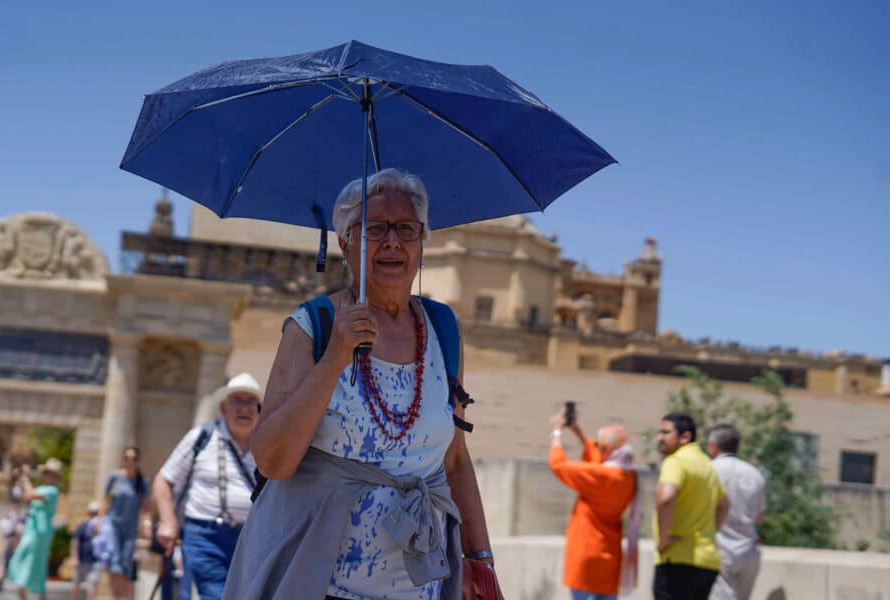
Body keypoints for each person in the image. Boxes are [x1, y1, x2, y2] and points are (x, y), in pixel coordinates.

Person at [222, 168, 497, 600]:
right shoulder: (312, 327)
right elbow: (272, 461)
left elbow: (456, 460)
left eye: (406, 228)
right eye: (374, 228)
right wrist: (334, 358)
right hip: (317, 584)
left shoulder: (443, 329)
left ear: (422, 241)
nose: (392, 241)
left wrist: (480, 558)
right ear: (345, 242)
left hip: (419, 586)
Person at [152, 372, 262, 600]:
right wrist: (167, 521)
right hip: (205, 535)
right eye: (237, 401)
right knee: (216, 594)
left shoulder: (268, 446)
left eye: (250, 401)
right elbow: (163, 480)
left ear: (259, 408)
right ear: (223, 408)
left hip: (252, 538)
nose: (244, 408)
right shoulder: (200, 438)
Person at [548, 409, 639, 600]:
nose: (596, 448)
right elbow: (599, 457)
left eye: (600, 446)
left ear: (608, 450)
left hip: (586, 552)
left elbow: (558, 465)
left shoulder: (600, 476)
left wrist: (557, 432)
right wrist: (577, 430)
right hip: (610, 556)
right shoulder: (629, 477)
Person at [653, 414, 730, 600]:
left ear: (685, 437)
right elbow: (724, 505)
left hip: (678, 559)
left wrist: (663, 538)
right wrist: (710, 533)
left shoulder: (676, 461)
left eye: (665, 432)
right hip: (707, 562)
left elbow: (665, 498)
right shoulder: (706, 464)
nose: (659, 438)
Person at [707, 425, 766, 600]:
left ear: (713, 446)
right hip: (749, 550)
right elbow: (760, 517)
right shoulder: (755, 473)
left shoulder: (709, 470)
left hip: (721, 549)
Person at [98, 447, 150, 600]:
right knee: (115, 562)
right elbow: (105, 500)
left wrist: (147, 525)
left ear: (138, 461)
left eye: (133, 459)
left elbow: (146, 508)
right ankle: (114, 596)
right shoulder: (114, 477)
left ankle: (122, 596)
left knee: (126, 564)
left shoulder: (142, 482)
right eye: (126, 458)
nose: (129, 462)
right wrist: (100, 522)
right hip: (113, 525)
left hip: (130, 529)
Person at [6, 458, 62, 600]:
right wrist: (21, 477)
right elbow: (25, 495)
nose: (46, 475)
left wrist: (24, 477)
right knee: (23, 560)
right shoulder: (42, 488)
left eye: (49, 473)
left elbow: (30, 495)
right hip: (31, 528)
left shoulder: (53, 491)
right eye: (46, 473)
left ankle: (37, 594)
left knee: (34, 563)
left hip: (40, 532)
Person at [69, 501, 101, 600]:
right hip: (82, 560)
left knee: (93, 584)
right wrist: (74, 558)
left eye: (96, 513)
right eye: (92, 513)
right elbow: (75, 542)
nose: (94, 515)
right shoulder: (82, 526)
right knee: (76, 584)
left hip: (94, 561)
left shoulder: (101, 527)